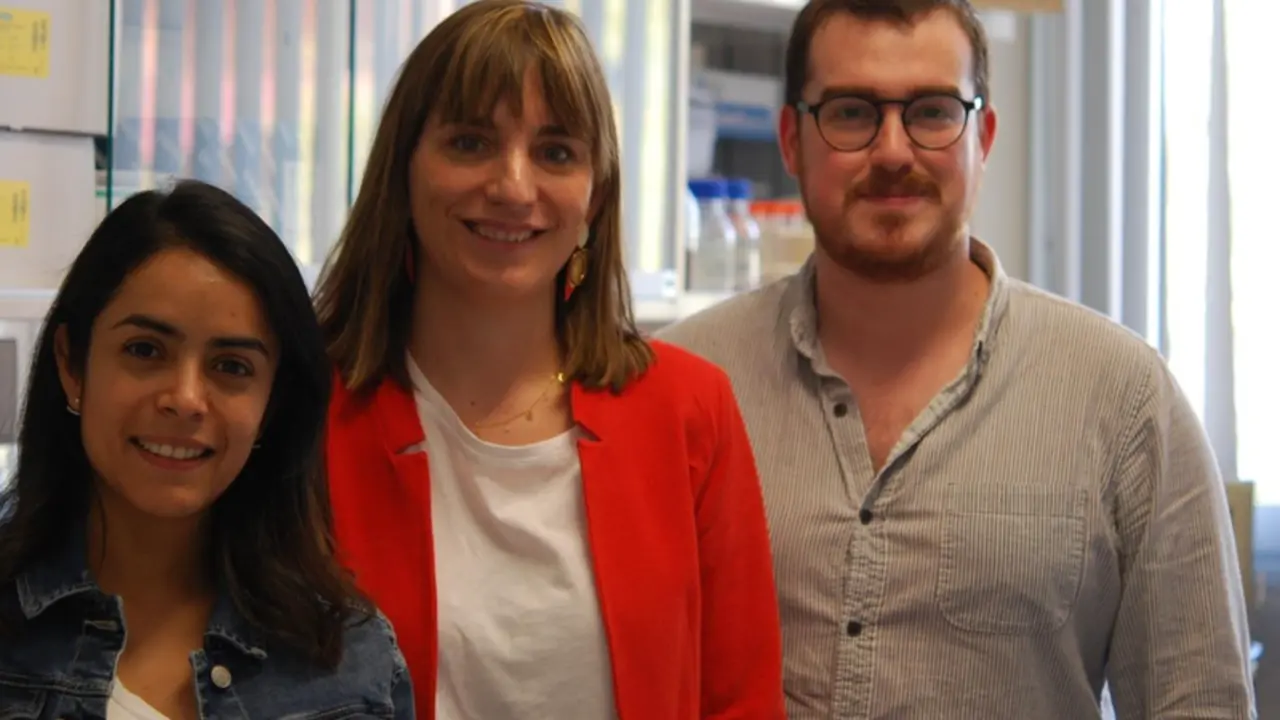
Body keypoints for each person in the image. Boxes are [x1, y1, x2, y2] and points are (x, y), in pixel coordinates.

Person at [659, 1, 1257, 718]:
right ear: (792, 140)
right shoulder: (683, 383)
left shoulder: (1125, 399)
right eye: (850, 113)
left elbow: (1199, 702)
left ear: (984, 136)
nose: (891, 152)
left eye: (933, 112)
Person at [313, 1, 785, 718]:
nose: (512, 186)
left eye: (556, 152)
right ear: (403, 171)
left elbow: (740, 702)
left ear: (595, 196)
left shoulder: (689, 409)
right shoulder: (308, 408)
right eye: (470, 143)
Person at [0, 181, 413, 719]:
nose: (186, 400)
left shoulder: (348, 661)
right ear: (72, 364)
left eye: (231, 367)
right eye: (145, 350)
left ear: (273, 401)